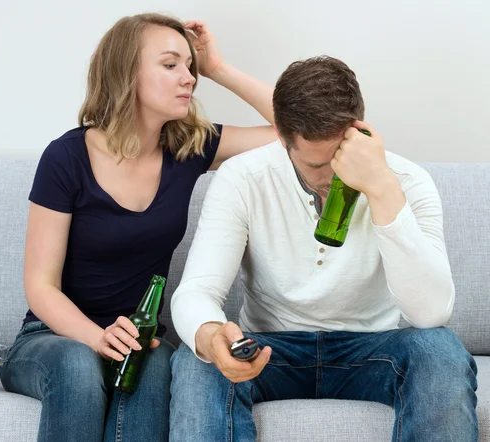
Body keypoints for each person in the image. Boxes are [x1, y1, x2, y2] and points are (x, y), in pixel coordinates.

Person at [169, 55, 478, 441]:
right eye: (317, 165)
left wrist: (381, 189)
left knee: (440, 350)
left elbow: (430, 313)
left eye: (340, 157)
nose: (334, 178)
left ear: (359, 130)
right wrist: (211, 335)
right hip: (272, 350)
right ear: (282, 138)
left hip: (371, 351)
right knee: (197, 359)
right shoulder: (243, 177)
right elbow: (198, 290)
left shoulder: (408, 182)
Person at [0, 13, 277, 442]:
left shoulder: (191, 148)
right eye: (170, 65)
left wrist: (218, 67)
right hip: (50, 338)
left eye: (191, 67)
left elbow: (297, 130)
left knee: (156, 366)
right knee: (78, 366)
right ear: (126, 72)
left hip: (142, 340)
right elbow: (40, 286)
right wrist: (98, 338)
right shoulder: (66, 158)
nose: (189, 78)